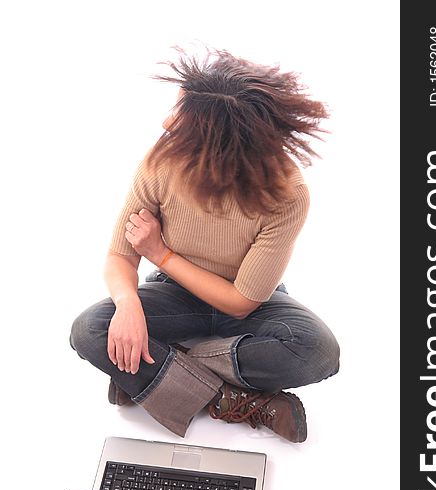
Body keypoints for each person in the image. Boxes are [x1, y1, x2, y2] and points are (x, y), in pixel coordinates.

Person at [70, 48, 340, 443]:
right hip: (173, 293)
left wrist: (161, 253)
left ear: (220, 141)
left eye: (181, 118)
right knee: (90, 330)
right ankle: (235, 399)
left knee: (318, 351)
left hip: (248, 302)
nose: (166, 122)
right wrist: (128, 307)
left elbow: (241, 301)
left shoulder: (287, 193)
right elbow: (120, 255)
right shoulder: (162, 162)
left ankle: (160, 372)